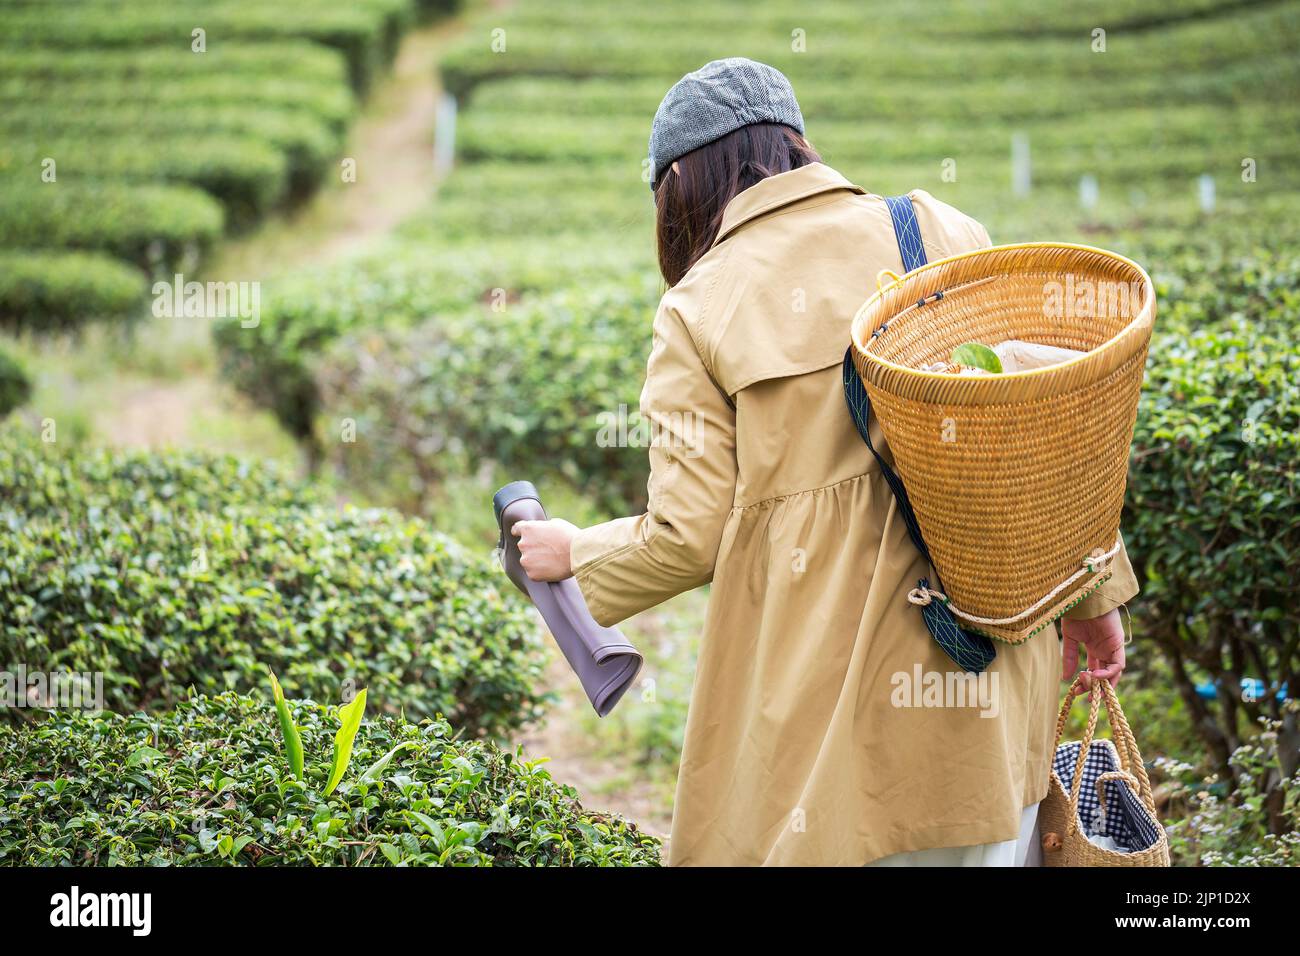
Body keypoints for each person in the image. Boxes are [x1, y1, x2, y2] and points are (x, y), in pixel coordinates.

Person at [511, 58, 1137, 866]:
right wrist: (1095, 593)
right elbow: (1036, 436)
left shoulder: (698, 307)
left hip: (830, 740)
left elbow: (685, 537)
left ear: (679, 185)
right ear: (796, 143)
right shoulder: (937, 230)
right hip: (988, 694)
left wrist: (572, 553)